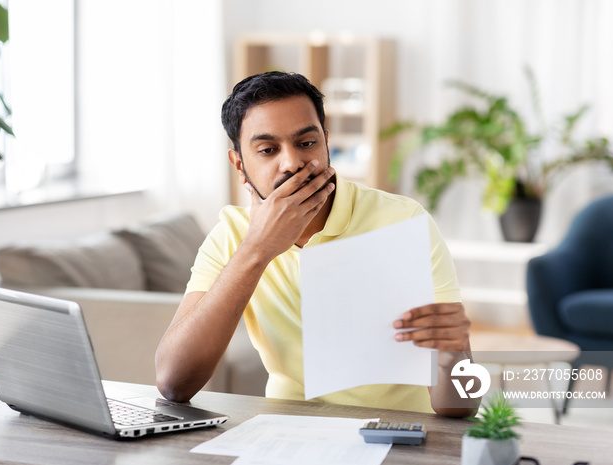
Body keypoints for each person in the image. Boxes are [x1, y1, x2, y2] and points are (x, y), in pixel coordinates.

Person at [155, 71, 477, 417]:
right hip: (289, 431)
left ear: (326, 141)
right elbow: (174, 382)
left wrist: (452, 356)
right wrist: (258, 248)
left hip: (398, 433)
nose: (292, 162)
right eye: (267, 150)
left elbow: (462, 406)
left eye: (306, 143)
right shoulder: (231, 234)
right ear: (239, 164)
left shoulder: (405, 221)